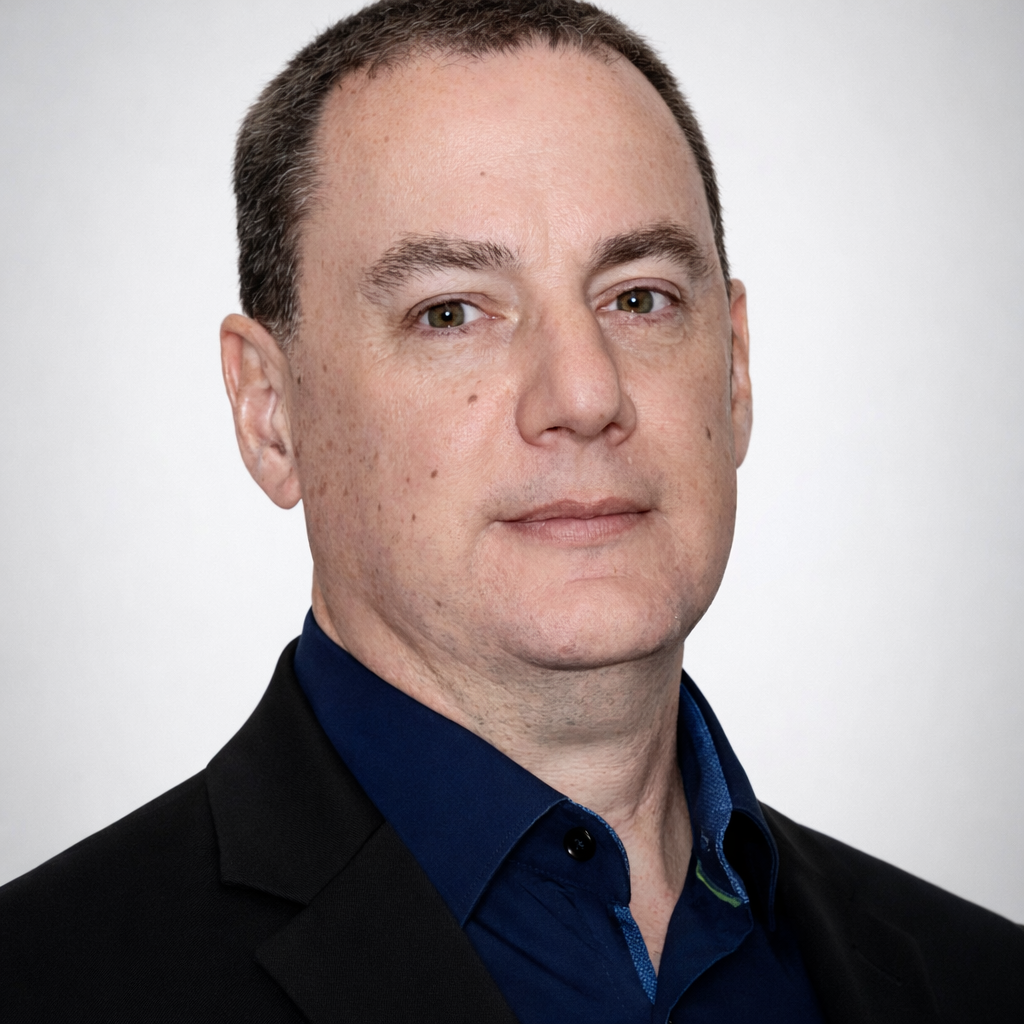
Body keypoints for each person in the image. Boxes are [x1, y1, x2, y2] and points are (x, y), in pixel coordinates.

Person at [0, 1, 1020, 1020]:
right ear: (271, 414)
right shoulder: (47, 981)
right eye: (450, 312)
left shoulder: (979, 980)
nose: (584, 394)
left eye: (639, 297)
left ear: (736, 371)